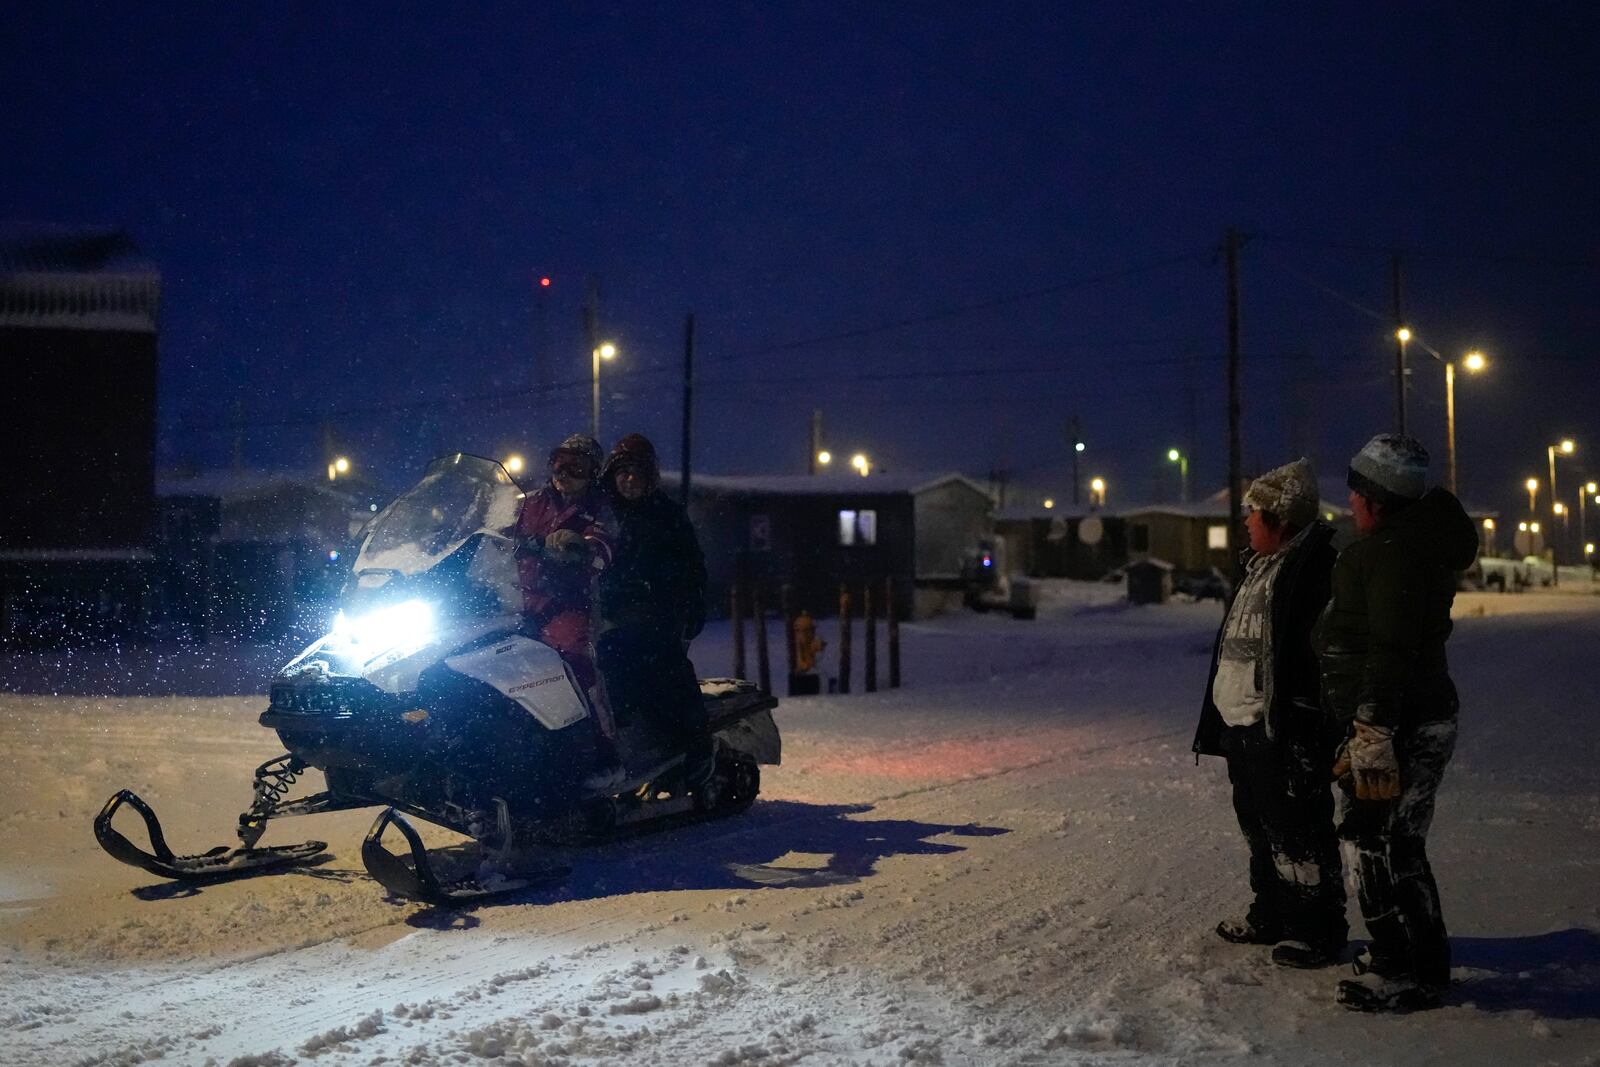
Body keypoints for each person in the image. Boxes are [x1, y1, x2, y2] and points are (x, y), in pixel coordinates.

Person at [1314, 434, 1478, 1012]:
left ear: (1377, 499)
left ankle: (1402, 965)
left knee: (1372, 841)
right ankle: (1418, 959)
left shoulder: (1389, 552)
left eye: (1357, 493)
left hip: (1398, 722)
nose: (1350, 504)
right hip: (1417, 715)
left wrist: (1372, 731)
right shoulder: (1407, 544)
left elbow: (1390, 647)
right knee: (1400, 841)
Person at [1194, 458, 1347, 969]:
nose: (1246, 521)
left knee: (1297, 830)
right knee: (1259, 827)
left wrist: (1307, 721)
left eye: (1254, 512)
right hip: (1243, 726)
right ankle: (1273, 913)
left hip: (1282, 726)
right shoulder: (1259, 565)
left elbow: (1320, 653)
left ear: (1280, 519)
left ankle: (1319, 929)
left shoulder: (1311, 570)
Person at [594, 434, 712, 788]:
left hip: (656, 611)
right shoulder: (601, 514)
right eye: (623, 473)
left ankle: (695, 747)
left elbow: (692, 564)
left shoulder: (666, 514)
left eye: (637, 473)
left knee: (662, 668)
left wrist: (689, 603)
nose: (629, 480)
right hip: (606, 611)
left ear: (649, 478)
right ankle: (616, 744)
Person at [514, 433, 622, 784]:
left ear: (592, 472)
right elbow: (492, 528)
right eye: (559, 463)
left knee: (574, 664)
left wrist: (580, 547)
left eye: (576, 467)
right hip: (516, 599)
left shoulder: (598, 507)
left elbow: (602, 547)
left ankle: (604, 752)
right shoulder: (529, 502)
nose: (565, 473)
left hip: (568, 604)